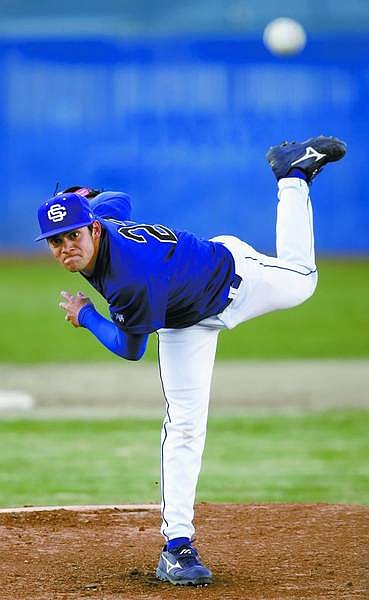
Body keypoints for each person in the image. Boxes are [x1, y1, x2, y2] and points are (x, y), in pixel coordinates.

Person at [36, 135, 346, 586]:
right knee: (183, 425)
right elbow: (118, 198)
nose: (66, 247)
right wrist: (84, 199)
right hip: (183, 317)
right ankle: (177, 546)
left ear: (94, 231)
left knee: (303, 281)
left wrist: (86, 315)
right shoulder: (102, 221)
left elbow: (129, 347)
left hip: (232, 278)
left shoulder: (129, 278)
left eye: (73, 234)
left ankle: (291, 176)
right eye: (55, 241)